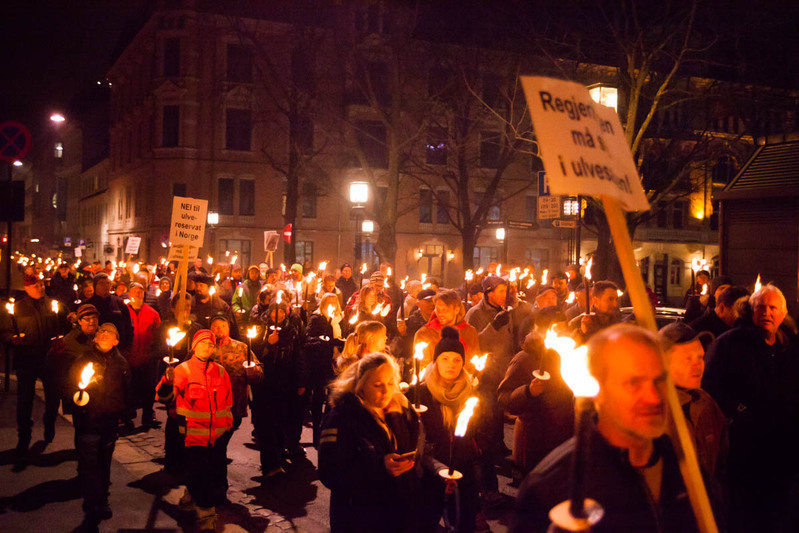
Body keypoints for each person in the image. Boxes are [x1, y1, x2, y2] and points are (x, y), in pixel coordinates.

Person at [514, 324, 697, 533]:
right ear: (598, 391)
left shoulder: (687, 469)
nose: (654, 397)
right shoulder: (551, 486)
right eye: (634, 383)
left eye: (659, 380)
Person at [703, 284, 799, 531]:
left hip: (782, 450)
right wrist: (740, 413)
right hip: (745, 448)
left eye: (772, 308)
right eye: (760, 307)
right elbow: (712, 386)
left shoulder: (788, 346)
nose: (766, 312)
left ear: (782, 313)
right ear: (750, 311)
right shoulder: (730, 344)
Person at [319, 352, 420, 533]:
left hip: (397, 515)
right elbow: (329, 472)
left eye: (390, 383)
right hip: (359, 518)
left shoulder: (400, 410)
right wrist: (380, 466)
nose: (386, 390)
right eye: (377, 385)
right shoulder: (342, 416)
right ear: (361, 385)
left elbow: (415, 452)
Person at [410, 327, 491, 533]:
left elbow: (483, 429)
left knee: (463, 524)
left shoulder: (472, 393)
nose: (451, 365)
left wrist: (477, 449)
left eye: (456, 360)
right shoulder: (420, 394)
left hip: (463, 471)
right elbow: (413, 439)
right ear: (436, 362)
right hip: (429, 473)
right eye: (445, 359)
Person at [158, 330, 233, 532]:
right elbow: (163, 397)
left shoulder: (220, 371)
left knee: (204, 473)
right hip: (193, 435)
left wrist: (226, 426)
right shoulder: (183, 370)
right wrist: (167, 381)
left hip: (216, 437)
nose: (208, 347)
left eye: (211, 344)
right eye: (204, 343)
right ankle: (206, 516)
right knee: (203, 475)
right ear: (194, 346)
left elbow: (227, 402)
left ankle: (191, 497)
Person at [659, 321, 727, 518]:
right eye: (687, 358)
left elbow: (722, 464)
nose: (698, 364)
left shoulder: (705, 403)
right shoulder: (652, 411)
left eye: (700, 357)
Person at [498, 309, 574, 480]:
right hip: (535, 441)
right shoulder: (524, 358)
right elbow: (504, 399)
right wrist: (528, 391)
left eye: (564, 328)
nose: (562, 333)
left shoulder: (568, 356)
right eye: (557, 329)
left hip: (564, 436)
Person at [70, 322, 132, 528]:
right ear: (95, 338)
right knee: (89, 464)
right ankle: (91, 502)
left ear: (116, 340)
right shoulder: (83, 360)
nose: (105, 334)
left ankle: (102, 499)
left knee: (104, 463)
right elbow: (69, 385)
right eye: (101, 331)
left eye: (110, 332)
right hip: (89, 420)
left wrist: (125, 414)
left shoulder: (121, 363)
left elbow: (127, 391)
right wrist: (78, 400)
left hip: (109, 421)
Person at [0, 275, 69, 454]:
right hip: (27, 358)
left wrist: (62, 340)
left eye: (40, 284)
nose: (39, 288)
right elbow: (6, 331)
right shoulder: (18, 308)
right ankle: (24, 434)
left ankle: (49, 423)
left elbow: (66, 327)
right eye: (35, 285)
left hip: (50, 358)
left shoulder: (54, 305)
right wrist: (11, 339)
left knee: (53, 398)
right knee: (25, 400)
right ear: (27, 288)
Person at [251, 297, 307, 477]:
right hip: (266, 384)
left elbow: (298, 356)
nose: (278, 315)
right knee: (268, 423)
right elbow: (252, 354)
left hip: (286, 383)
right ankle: (270, 464)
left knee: (283, 420)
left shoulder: (291, 331)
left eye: (282, 311)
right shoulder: (260, 329)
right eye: (275, 311)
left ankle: (280, 453)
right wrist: (268, 343)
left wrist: (300, 381)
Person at [303, 292, 345, 445]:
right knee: (318, 396)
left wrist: (341, 342)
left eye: (335, 303)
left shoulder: (339, 320)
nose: (332, 306)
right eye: (329, 303)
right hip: (319, 363)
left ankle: (330, 432)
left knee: (333, 398)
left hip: (335, 363)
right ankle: (317, 432)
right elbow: (308, 339)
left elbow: (342, 337)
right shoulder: (317, 318)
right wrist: (324, 341)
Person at [46, 303, 100, 418]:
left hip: (100, 394)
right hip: (80, 392)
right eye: (87, 319)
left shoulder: (103, 336)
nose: (91, 322)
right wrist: (55, 352)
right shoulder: (70, 340)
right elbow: (53, 365)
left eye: (94, 318)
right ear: (79, 321)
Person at [126, 282, 162, 428]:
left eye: (140, 292)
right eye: (134, 291)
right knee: (129, 389)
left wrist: (155, 353)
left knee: (148, 389)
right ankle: (127, 417)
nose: (137, 294)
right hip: (130, 358)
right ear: (129, 294)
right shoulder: (124, 311)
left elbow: (159, 335)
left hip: (147, 358)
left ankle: (148, 415)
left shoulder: (152, 313)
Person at [413, 289, 480, 367]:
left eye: (445, 310)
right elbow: (422, 366)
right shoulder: (425, 333)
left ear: (456, 310)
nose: (440, 314)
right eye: (438, 310)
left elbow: (475, 363)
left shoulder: (469, 332)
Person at [86, 272, 134, 356]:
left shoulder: (119, 303)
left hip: (118, 351)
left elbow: (128, 326)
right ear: (95, 286)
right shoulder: (88, 305)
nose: (105, 286)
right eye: (101, 283)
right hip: (94, 351)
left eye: (108, 283)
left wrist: (127, 348)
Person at [568, 280, 621, 344]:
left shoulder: (619, 320)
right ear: (596, 301)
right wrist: (582, 333)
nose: (615, 304)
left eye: (616, 299)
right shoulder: (578, 323)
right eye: (610, 299)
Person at [191, 272, 240, 340]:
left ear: (208, 288)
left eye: (201, 285)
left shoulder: (221, 306)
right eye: (196, 285)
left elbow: (233, 328)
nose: (198, 288)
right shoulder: (190, 304)